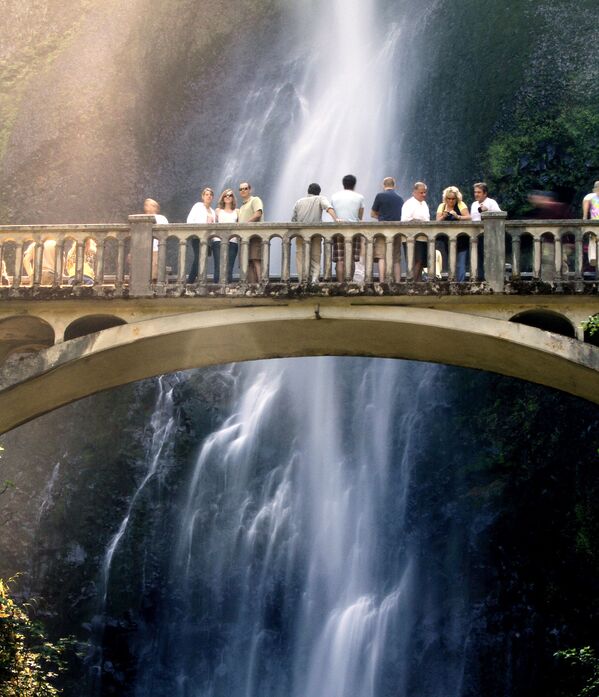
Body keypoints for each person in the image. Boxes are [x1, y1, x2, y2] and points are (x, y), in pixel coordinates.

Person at [292, 183, 338, 283]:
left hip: (301, 234)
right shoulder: (320, 199)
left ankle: (302, 281)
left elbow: (293, 220)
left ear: (308, 191)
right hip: (315, 234)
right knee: (315, 258)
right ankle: (314, 280)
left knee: (301, 258)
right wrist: (336, 219)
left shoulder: (298, 202)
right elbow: (329, 208)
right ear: (318, 192)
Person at [330, 174, 365, 281]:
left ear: (343, 184)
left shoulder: (334, 196)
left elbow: (333, 213)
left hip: (339, 230)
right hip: (354, 231)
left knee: (340, 260)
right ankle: (349, 282)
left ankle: (341, 284)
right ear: (354, 185)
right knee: (351, 260)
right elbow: (360, 216)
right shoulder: (360, 197)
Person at [370, 176, 404, 282]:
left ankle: (382, 281)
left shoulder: (380, 196)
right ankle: (398, 282)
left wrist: (380, 217)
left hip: (383, 230)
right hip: (396, 231)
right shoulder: (400, 198)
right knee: (396, 259)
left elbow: (372, 213)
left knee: (381, 257)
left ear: (383, 185)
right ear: (394, 185)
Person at [436, 186, 471, 280]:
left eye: (453, 199)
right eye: (449, 199)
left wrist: (458, 216)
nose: (451, 201)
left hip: (461, 239)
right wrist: (443, 216)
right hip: (448, 240)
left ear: (457, 198)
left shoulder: (461, 204)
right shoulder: (442, 206)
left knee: (461, 263)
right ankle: (453, 282)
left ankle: (460, 285)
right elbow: (436, 222)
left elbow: (469, 217)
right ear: (445, 198)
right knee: (452, 263)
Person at [468, 182, 501, 281]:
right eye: (475, 192)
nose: (476, 194)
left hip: (489, 235)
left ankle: (491, 277)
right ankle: (480, 277)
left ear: (485, 193)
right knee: (477, 256)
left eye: (479, 192)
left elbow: (500, 216)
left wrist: (488, 211)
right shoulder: (474, 204)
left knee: (489, 256)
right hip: (476, 235)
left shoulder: (491, 202)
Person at [401, 181, 430, 281]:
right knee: (416, 261)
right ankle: (411, 282)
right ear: (414, 192)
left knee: (421, 261)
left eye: (425, 192)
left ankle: (418, 283)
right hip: (411, 238)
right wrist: (417, 221)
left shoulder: (424, 203)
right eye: (421, 193)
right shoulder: (409, 204)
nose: (424, 195)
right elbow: (404, 220)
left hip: (423, 237)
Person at [186, 187, 216, 283]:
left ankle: (200, 280)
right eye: (206, 194)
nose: (209, 196)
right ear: (203, 196)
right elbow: (190, 220)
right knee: (199, 257)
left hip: (208, 240)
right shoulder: (198, 206)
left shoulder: (213, 211)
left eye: (210, 195)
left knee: (202, 259)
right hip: (197, 237)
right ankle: (190, 281)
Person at [238, 182, 264, 283]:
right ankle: (252, 286)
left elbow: (258, 214)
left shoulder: (255, 200)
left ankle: (262, 285)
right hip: (244, 238)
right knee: (247, 262)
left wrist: (245, 224)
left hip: (254, 236)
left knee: (256, 260)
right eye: (241, 189)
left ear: (250, 189)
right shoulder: (241, 207)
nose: (243, 190)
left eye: (245, 188)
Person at [214, 188, 239, 283]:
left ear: (233, 198)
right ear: (223, 198)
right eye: (226, 195)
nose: (228, 197)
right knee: (218, 265)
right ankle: (216, 288)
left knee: (230, 266)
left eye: (230, 195)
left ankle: (228, 288)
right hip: (218, 241)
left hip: (233, 241)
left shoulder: (237, 211)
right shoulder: (218, 211)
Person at [143, 198, 168, 280]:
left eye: (149, 205)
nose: (147, 207)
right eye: (146, 205)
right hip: (143, 249)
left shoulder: (161, 218)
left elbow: (165, 233)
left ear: (155, 207)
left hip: (156, 249)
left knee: (155, 272)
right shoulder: (142, 219)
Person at [583, 181, 599, 268]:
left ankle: (594, 258)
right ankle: (593, 257)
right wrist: (585, 218)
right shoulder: (590, 197)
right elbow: (585, 214)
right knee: (593, 240)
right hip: (594, 224)